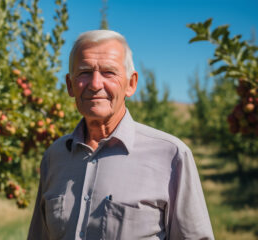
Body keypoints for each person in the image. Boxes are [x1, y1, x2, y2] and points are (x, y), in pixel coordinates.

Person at [27, 30, 214, 240]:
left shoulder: (171, 155)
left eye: (108, 72)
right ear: (70, 85)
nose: (95, 84)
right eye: (85, 72)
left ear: (131, 84)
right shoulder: (55, 157)